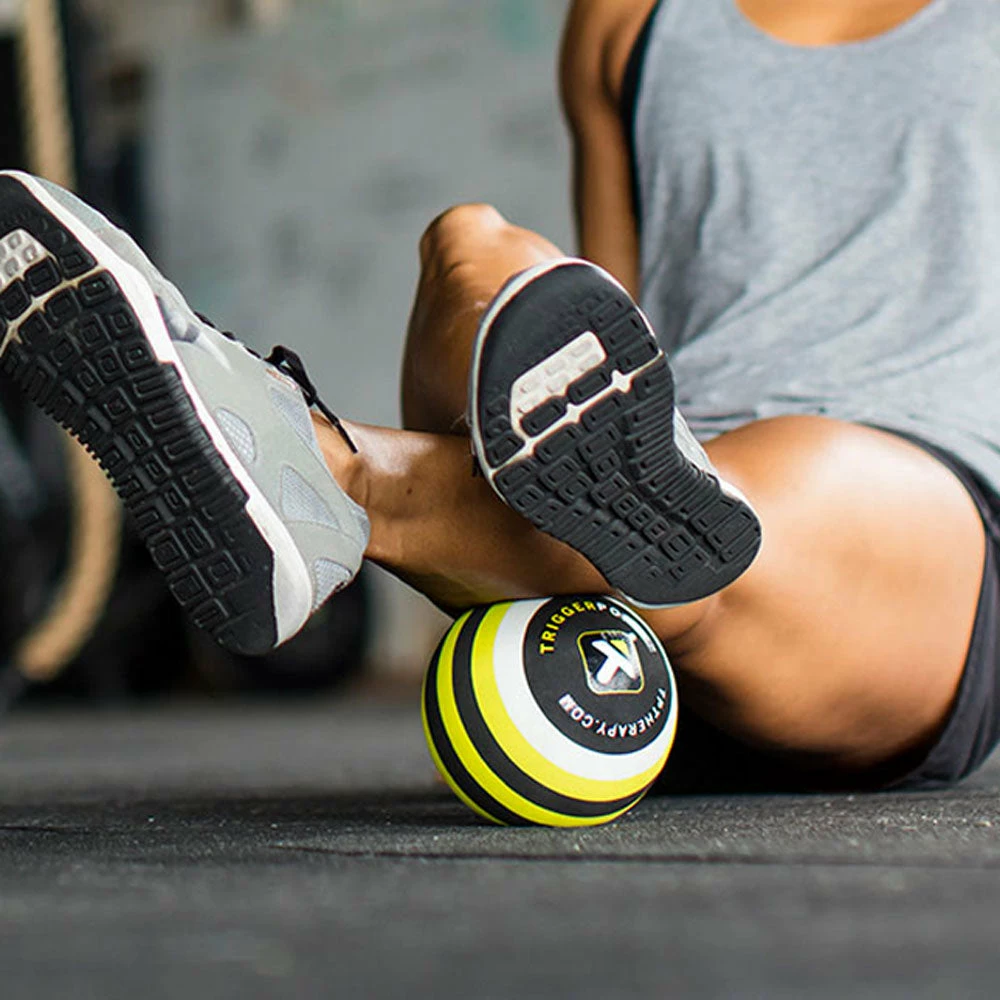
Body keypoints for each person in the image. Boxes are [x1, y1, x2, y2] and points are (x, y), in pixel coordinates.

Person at [0, 0, 996, 792]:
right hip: (642, 518)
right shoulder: (629, 16)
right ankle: (450, 502)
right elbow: (600, 326)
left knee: (770, 488)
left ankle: (327, 470)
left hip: (905, 552)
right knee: (472, 245)